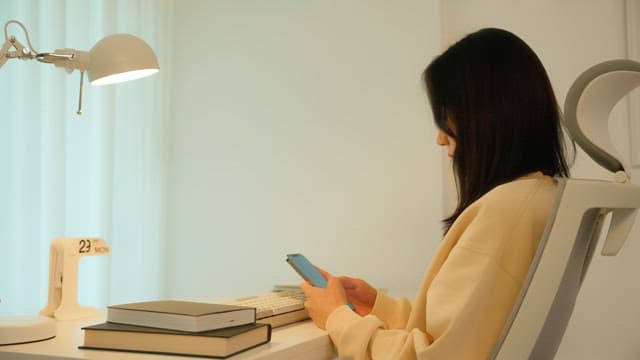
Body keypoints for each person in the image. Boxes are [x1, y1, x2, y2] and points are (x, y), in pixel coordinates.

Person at [301, 28, 572, 359]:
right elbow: (470, 325)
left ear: (483, 115)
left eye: (445, 118)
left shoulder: (506, 210)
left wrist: (337, 318)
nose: (441, 138)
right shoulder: (539, 196)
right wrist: (378, 306)